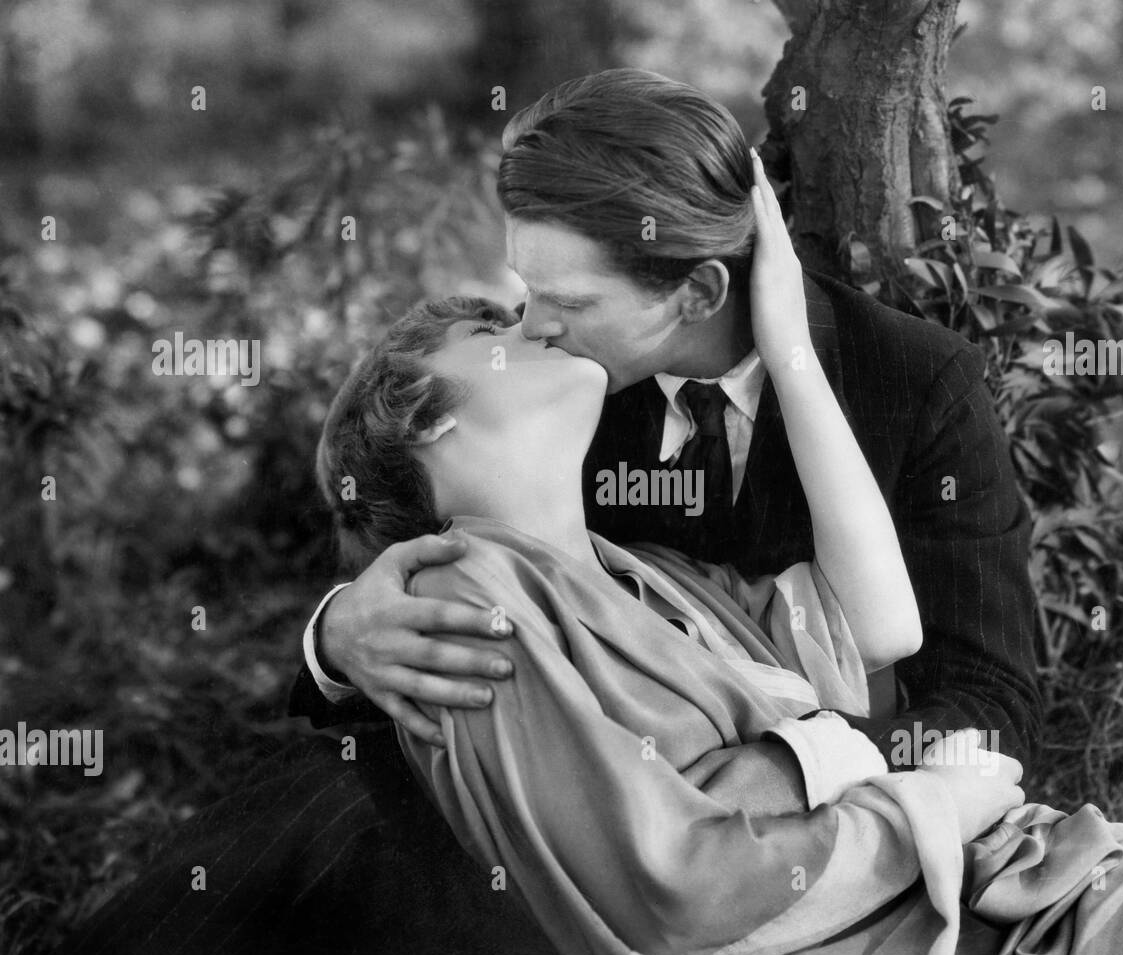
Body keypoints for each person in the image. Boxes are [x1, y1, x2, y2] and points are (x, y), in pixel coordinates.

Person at [303, 156, 1123, 955]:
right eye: (501, 325)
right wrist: (900, 794)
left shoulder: (644, 572)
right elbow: (676, 887)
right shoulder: (459, 598)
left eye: (556, 301)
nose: (543, 323)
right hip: (919, 932)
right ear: (427, 417)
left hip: (1007, 886)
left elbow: (880, 628)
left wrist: (788, 344)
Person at [289, 68, 1042, 777]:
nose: (531, 326)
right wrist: (336, 633)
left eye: (573, 302)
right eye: (527, 287)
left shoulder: (916, 381)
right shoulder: (548, 396)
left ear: (698, 292)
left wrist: (785, 784)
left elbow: (985, 695)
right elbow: (414, 553)